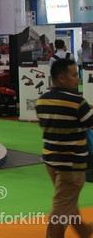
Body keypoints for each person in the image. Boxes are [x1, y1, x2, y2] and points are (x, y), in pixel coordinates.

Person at [35, 58, 93, 238]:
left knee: (66, 200)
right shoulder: (78, 102)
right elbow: (90, 122)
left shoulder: (42, 102)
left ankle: (83, 230)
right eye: (74, 75)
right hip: (72, 164)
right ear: (61, 78)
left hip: (51, 161)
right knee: (61, 206)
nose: (78, 79)